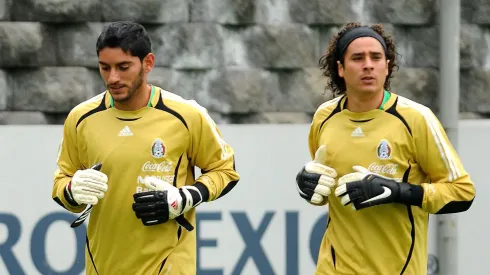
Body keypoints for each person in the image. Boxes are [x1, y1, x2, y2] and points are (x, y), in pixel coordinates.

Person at [51, 21, 240, 275]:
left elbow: (225, 171)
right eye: (104, 67)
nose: (112, 77)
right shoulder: (81, 118)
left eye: (123, 67)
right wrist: (73, 190)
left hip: (170, 267)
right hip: (103, 266)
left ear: (148, 63)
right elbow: (60, 183)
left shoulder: (186, 115)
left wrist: (186, 197)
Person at [295, 22, 476, 275]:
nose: (368, 64)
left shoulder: (416, 119)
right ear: (341, 68)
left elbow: (462, 193)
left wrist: (397, 191)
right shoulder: (324, 118)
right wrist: (307, 182)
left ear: (387, 66)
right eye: (357, 58)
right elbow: (325, 189)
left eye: (376, 57)